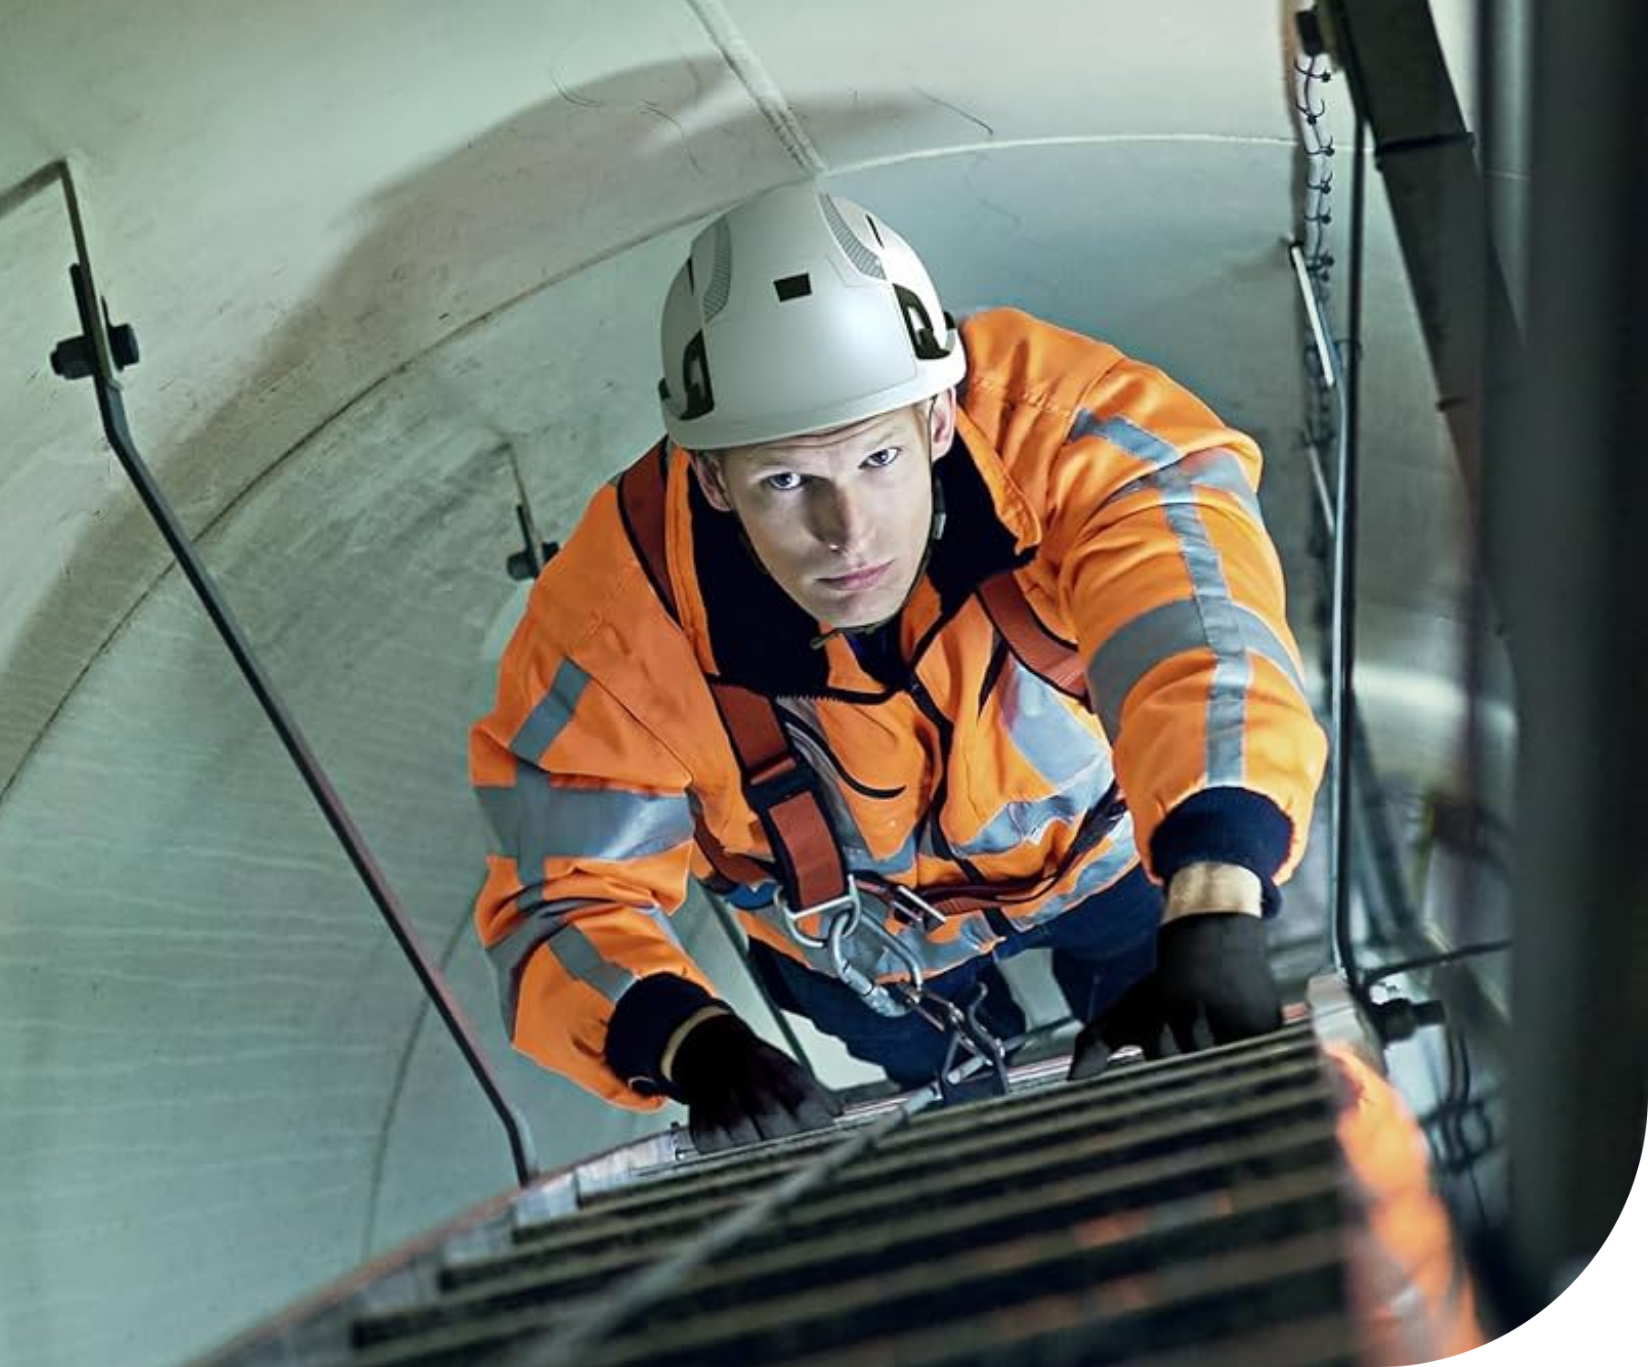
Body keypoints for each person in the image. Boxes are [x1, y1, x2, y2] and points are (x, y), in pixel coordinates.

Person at [469, 182, 1327, 1153]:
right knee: (963, 1107)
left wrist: (1214, 891)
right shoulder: (614, 617)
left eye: (876, 458)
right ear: (710, 478)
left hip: (1101, 864)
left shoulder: (1070, 436)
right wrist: (687, 1039)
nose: (846, 534)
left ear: (933, 421)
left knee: (1161, 1057)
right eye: (785, 481)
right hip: (861, 954)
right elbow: (563, 890)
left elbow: (1197, 637)